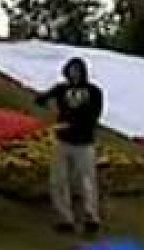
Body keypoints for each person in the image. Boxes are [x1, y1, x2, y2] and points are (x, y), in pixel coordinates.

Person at [35, 57, 105, 236]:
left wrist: (71, 124)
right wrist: (47, 103)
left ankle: (91, 217)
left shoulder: (94, 91)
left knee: (86, 182)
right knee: (59, 181)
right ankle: (65, 218)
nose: (74, 74)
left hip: (84, 143)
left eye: (77, 70)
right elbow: (41, 99)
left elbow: (93, 116)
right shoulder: (61, 89)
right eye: (71, 70)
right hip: (63, 141)